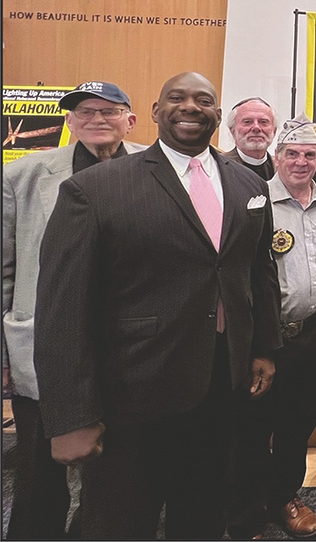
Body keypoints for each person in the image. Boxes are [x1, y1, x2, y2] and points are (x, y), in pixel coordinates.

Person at [32, 71, 282, 539]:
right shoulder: (96, 189)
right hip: (132, 396)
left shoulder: (249, 187)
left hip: (218, 388)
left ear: (217, 115)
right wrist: (69, 417)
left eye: (203, 100)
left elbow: (256, 274)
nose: (190, 107)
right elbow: (61, 310)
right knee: (121, 522)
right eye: (177, 98)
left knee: (203, 515)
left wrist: (264, 348)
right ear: (152, 113)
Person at [2, 81, 142, 539]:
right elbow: (4, 272)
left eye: (109, 111)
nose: (97, 119)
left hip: (127, 351)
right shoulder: (22, 176)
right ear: (69, 120)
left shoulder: (158, 170)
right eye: (85, 111)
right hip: (44, 349)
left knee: (116, 474)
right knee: (39, 473)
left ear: (131, 120)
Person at [229, 115, 316, 540]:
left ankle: (284, 495)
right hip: (268, 339)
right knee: (254, 428)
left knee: (299, 423)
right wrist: (260, 346)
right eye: (292, 153)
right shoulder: (256, 202)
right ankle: (246, 511)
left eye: (310, 155)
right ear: (276, 157)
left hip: (312, 333)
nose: (301, 161)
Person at [223, 96, 277, 180]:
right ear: (233, 131)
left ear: (274, 130)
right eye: (247, 122)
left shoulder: (282, 169)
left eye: (263, 122)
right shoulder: (218, 167)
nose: (256, 128)